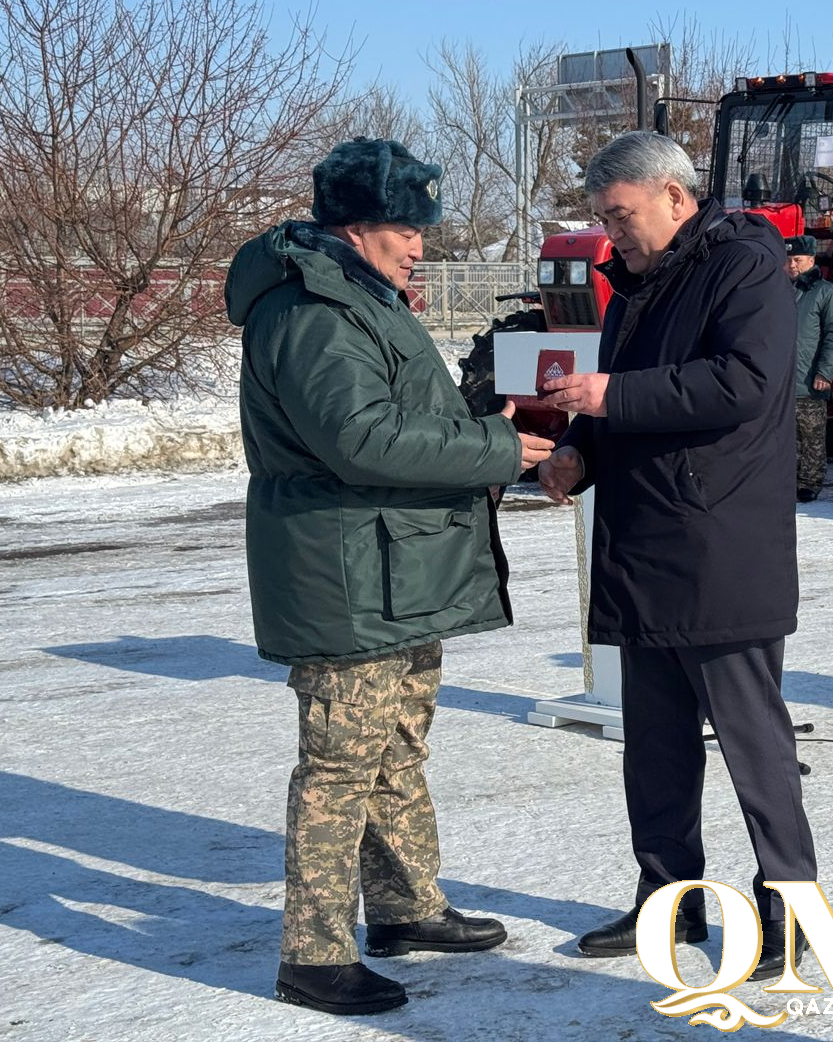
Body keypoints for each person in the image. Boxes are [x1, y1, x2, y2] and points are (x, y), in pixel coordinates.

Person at [224, 137, 554, 1015]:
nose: (419, 247)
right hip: (348, 571)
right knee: (338, 762)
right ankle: (315, 953)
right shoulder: (314, 313)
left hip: (393, 564)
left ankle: (407, 908)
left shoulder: (362, 297)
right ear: (357, 226)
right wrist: (492, 448)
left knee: (397, 743)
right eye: (406, 228)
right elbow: (358, 438)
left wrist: (481, 422)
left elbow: (395, 415)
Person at [538, 131, 817, 978]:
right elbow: (619, 382)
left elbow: (746, 382)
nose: (610, 233)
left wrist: (610, 396)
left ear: (674, 195)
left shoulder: (744, 268)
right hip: (644, 542)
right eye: (601, 219)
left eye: (619, 216)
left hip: (719, 543)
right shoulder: (636, 285)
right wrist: (580, 447)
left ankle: (790, 913)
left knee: (751, 741)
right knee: (653, 743)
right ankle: (670, 900)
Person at [787, 235, 833, 502]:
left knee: (810, 435)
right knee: (785, 438)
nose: (792, 265)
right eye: (787, 260)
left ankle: (809, 483)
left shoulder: (827, 293)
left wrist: (825, 372)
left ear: (811, 260)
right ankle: (786, 482)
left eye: (797, 260)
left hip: (809, 379)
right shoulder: (778, 291)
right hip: (782, 381)